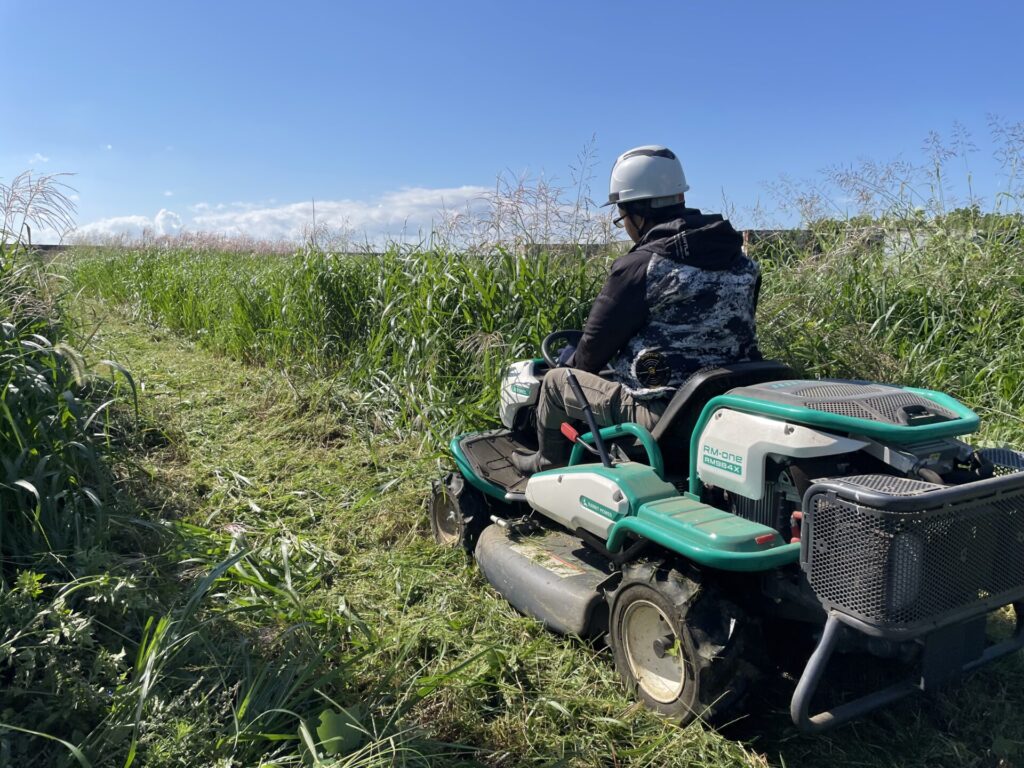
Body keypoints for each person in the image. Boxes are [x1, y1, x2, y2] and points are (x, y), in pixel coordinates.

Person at [511, 145, 762, 476]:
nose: (625, 224)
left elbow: (590, 356)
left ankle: (547, 463)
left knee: (559, 381)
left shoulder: (640, 267)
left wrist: (567, 360)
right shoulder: (743, 263)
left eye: (622, 215)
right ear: (679, 199)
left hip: (666, 421)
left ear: (638, 213)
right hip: (730, 405)